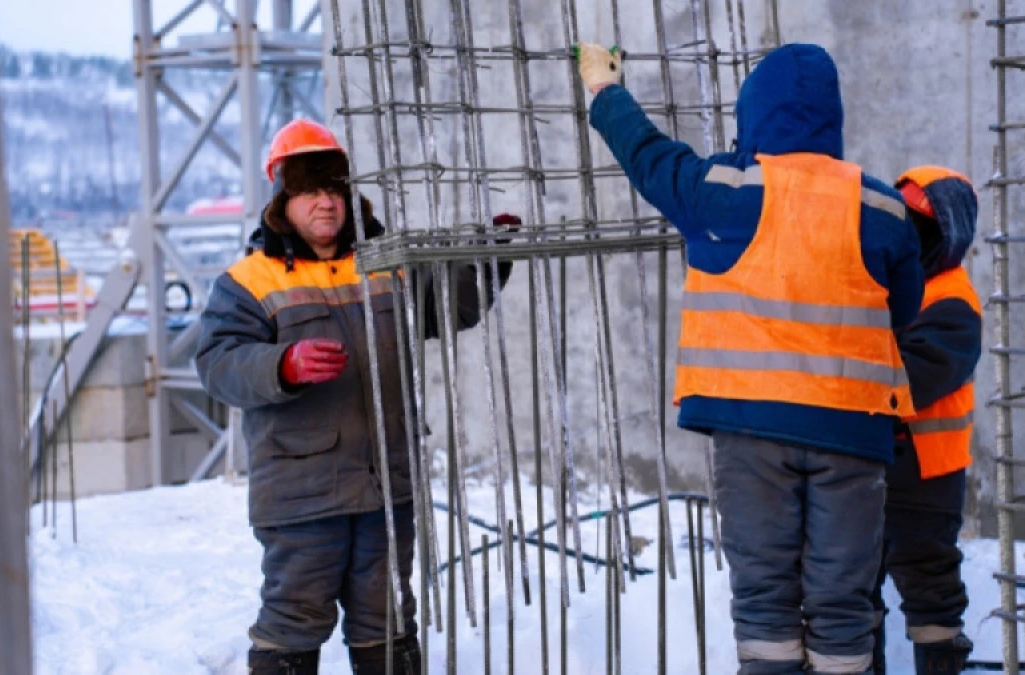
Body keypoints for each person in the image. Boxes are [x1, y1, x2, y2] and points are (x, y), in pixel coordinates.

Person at [575, 43, 924, 674]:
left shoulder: (721, 192)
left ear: (754, 112)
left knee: (765, 603)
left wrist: (605, 91)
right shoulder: (881, 208)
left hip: (750, 431)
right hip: (853, 431)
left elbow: (648, 155)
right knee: (843, 604)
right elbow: (902, 307)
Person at [195, 119, 516, 675]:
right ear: (283, 200)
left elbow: (448, 307)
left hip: (385, 486)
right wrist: (282, 365)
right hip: (302, 495)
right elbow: (217, 365)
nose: (326, 203)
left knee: (388, 623)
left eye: (334, 189)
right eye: (309, 191)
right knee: (294, 621)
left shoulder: (385, 265)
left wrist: (489, 261)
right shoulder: (249, 282)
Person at [871, 166, 982, 675]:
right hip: (874, 463)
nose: (907, 237)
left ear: (947, 234)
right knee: (854, 587)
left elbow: (913, 379)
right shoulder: (893, 286)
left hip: (926, 476)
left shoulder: (952, 299)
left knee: (931, 589)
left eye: (919, 225)